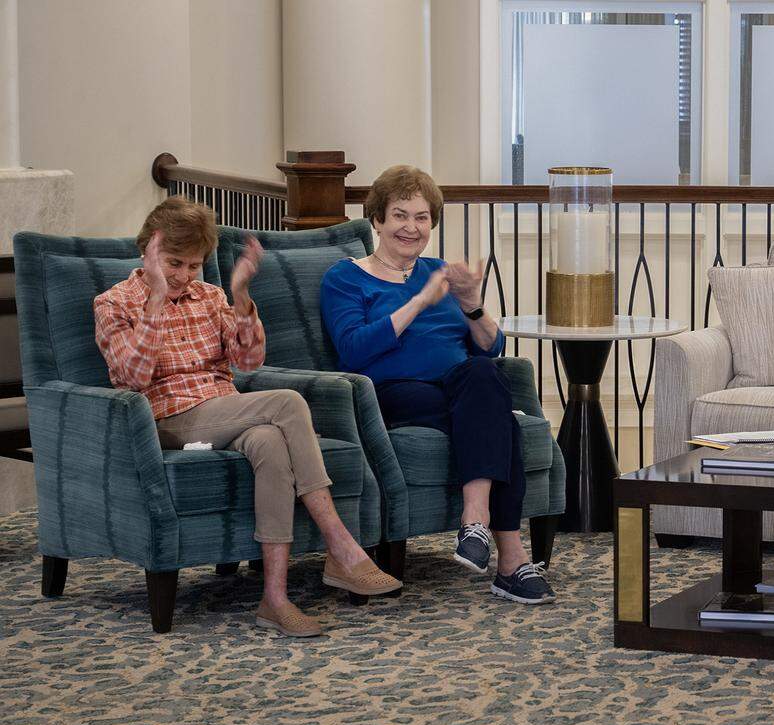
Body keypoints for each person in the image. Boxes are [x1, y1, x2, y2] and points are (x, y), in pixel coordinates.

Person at [94, 196, 401, 637]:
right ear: (148, 250)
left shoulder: (209, 295)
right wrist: (157, 301)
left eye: (193, 266)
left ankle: (274, 599)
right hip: (166, 419)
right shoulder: (114, 303)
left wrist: (239, 297)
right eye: (172, 263)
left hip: (224, 410)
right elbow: (132, 377)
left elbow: (250, 360)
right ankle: (341, 545)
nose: (182, 276)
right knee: (289, 403)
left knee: (271, 444)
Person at [319, 165, 555, 605]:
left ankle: (476, 523)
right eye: (400, 215)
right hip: (392, 393)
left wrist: (471, 304)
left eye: (422, 217)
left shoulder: (442, 273)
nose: (411, 227)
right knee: (499, 419)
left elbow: (490, 346)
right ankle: (510, 559)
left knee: (487, 375)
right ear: (377, 219)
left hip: (459, 386)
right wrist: (419, 302)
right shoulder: (346, 277)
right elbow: (353, 349)